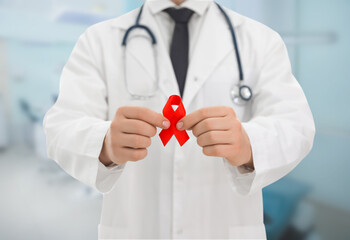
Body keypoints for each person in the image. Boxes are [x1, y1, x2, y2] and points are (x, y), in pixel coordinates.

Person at [43, 0, 315, 239]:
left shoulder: (260, 40)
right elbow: (60, 126)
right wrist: (104, 143)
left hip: (225, 228)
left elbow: (296, 126)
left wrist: (248, 144)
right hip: (137, 228)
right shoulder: (98, 40)